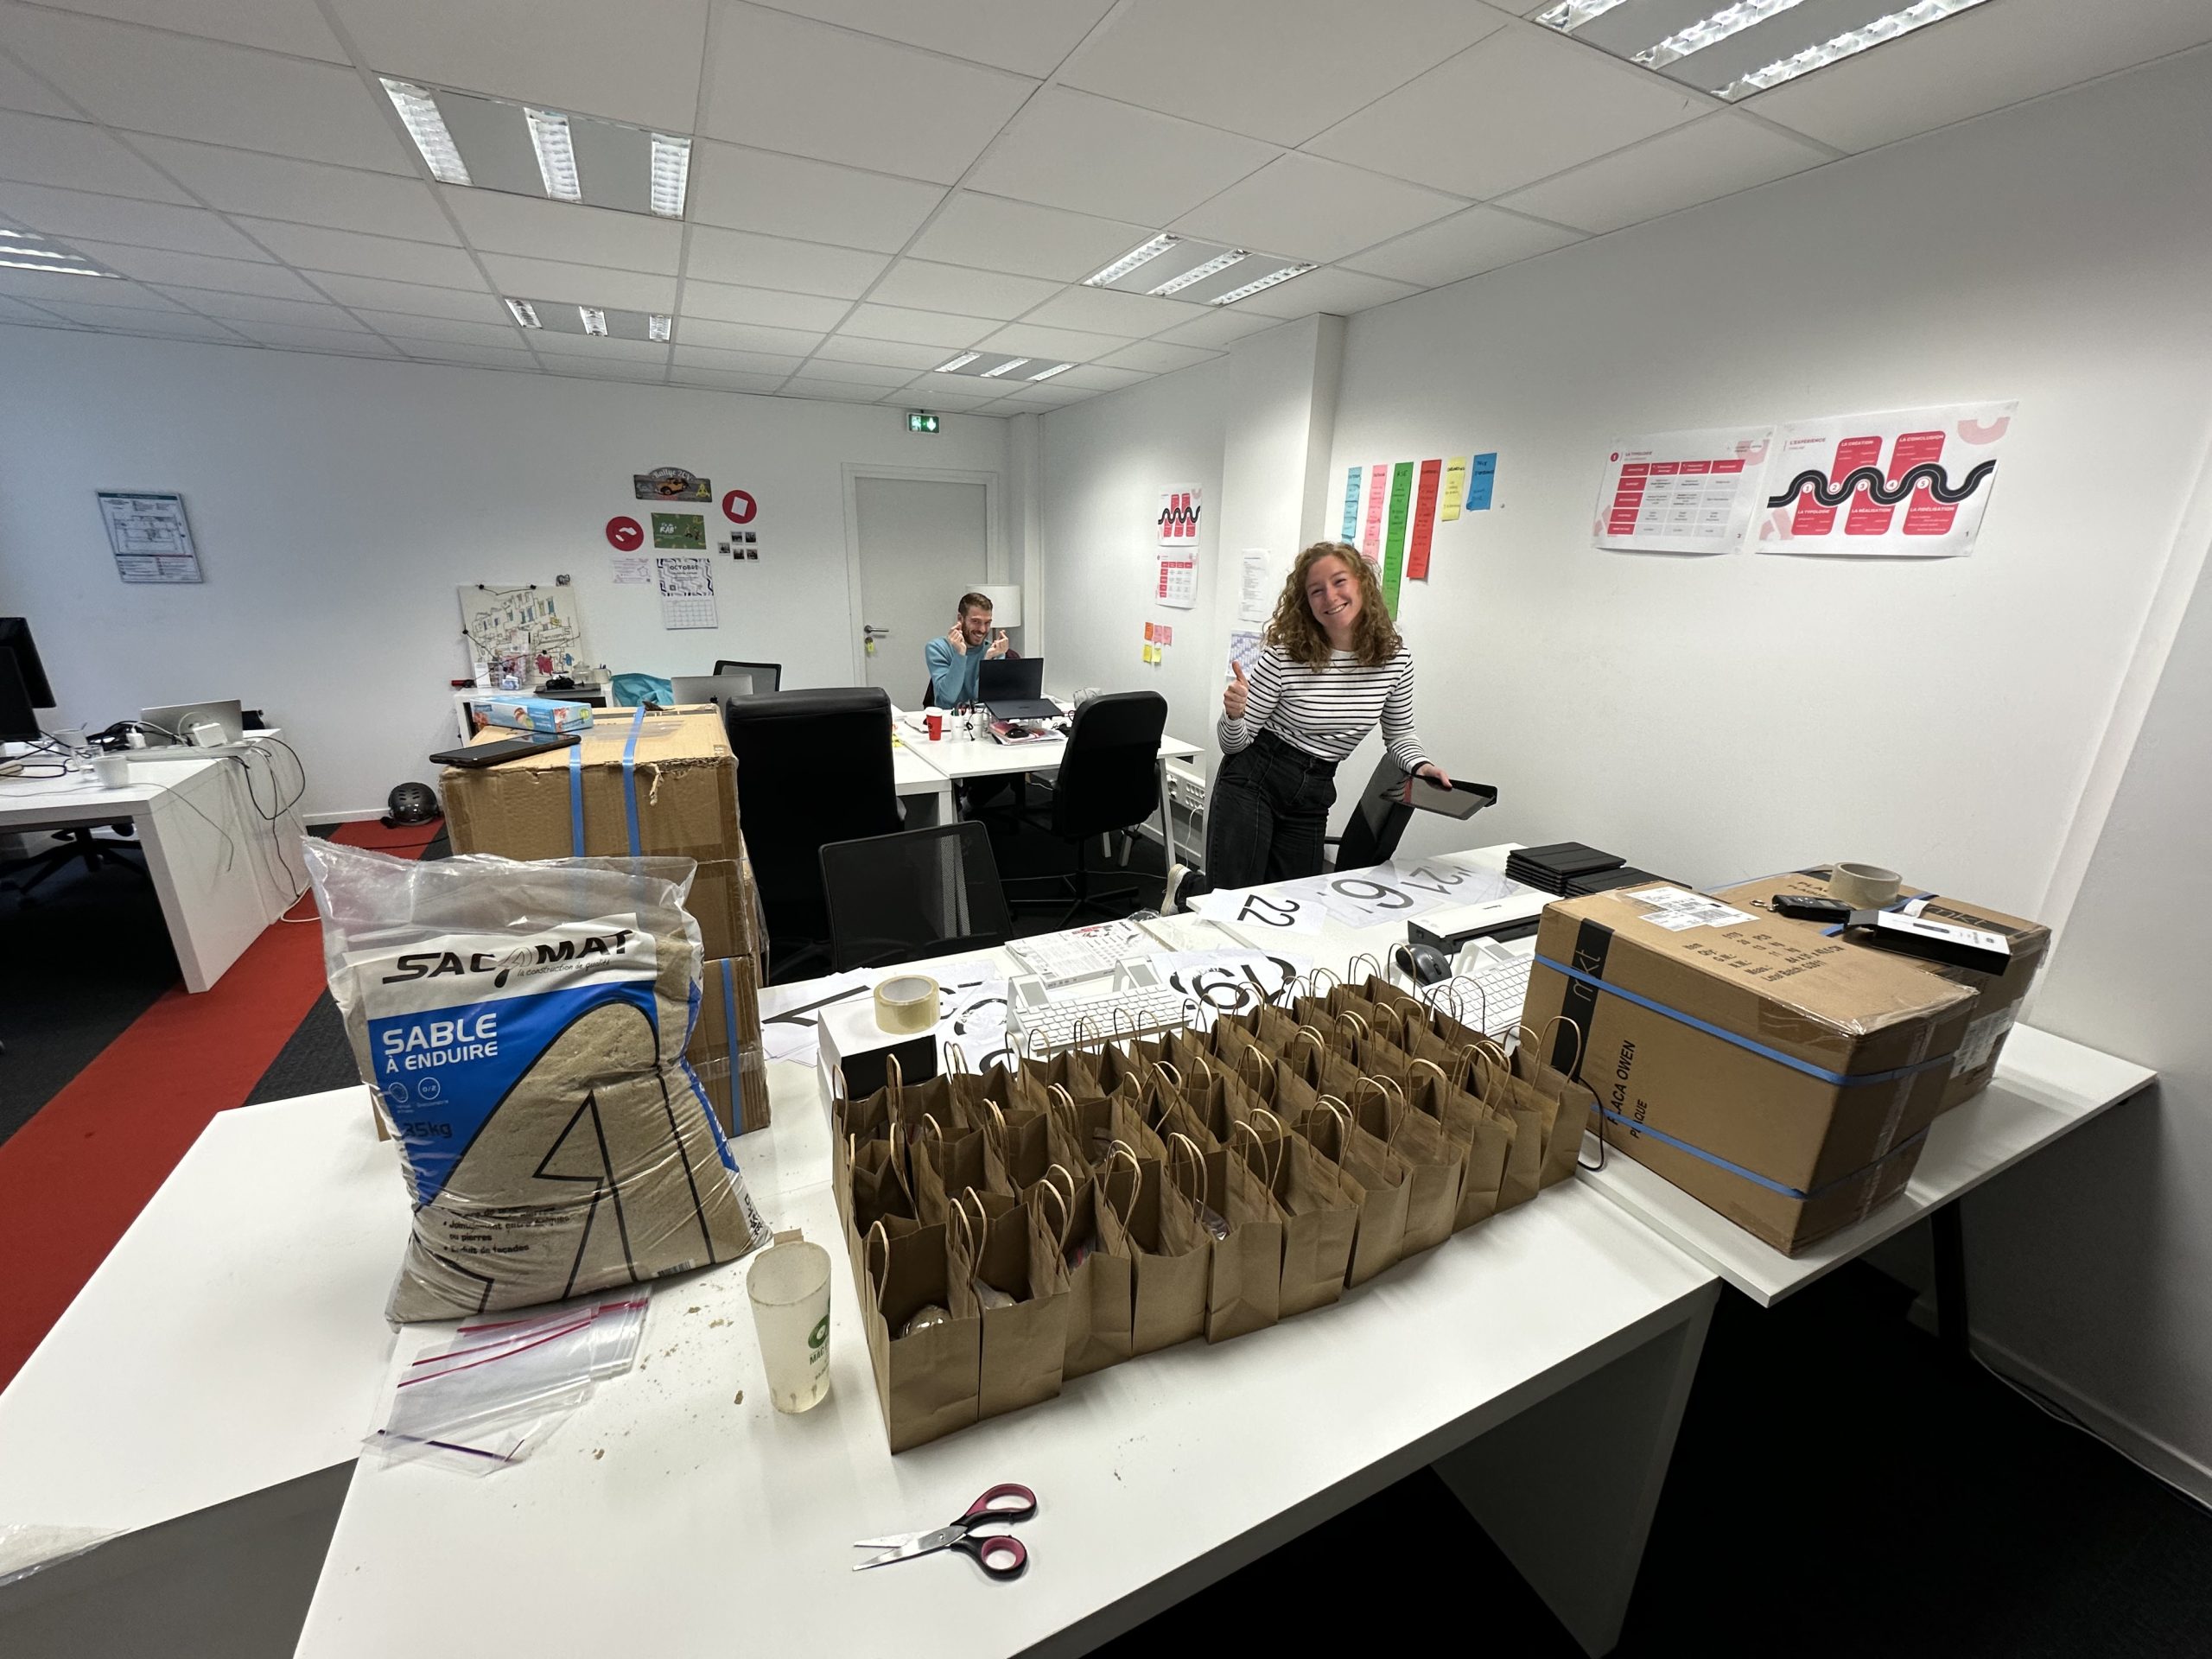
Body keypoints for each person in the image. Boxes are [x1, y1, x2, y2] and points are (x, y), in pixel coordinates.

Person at [1205, 541, 1451, 889]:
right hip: (1254, 779)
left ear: (1362, 584)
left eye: (1339, 582)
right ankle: (1189, 892)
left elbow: (1399, 735)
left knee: (1294, 900)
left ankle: (1186, 887)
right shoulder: (1286, 655)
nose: (1330, 597)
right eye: (1316, 591)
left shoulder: (1395, 660)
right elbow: (1235, 745)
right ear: (1306, 603)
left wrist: (1420, 765)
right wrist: (1234, 715)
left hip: (1316, 789)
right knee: (1233, 897)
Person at [924, 591, 1012, 708]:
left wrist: (989, 660)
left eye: (987, 623)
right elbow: (949, 697)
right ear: (960, 619)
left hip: (982, 721)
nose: (982, 629)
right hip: (948, 721)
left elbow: (980, 698)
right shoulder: (937, 648)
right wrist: (960, 653)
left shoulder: (993, 651)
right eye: (975, 621)